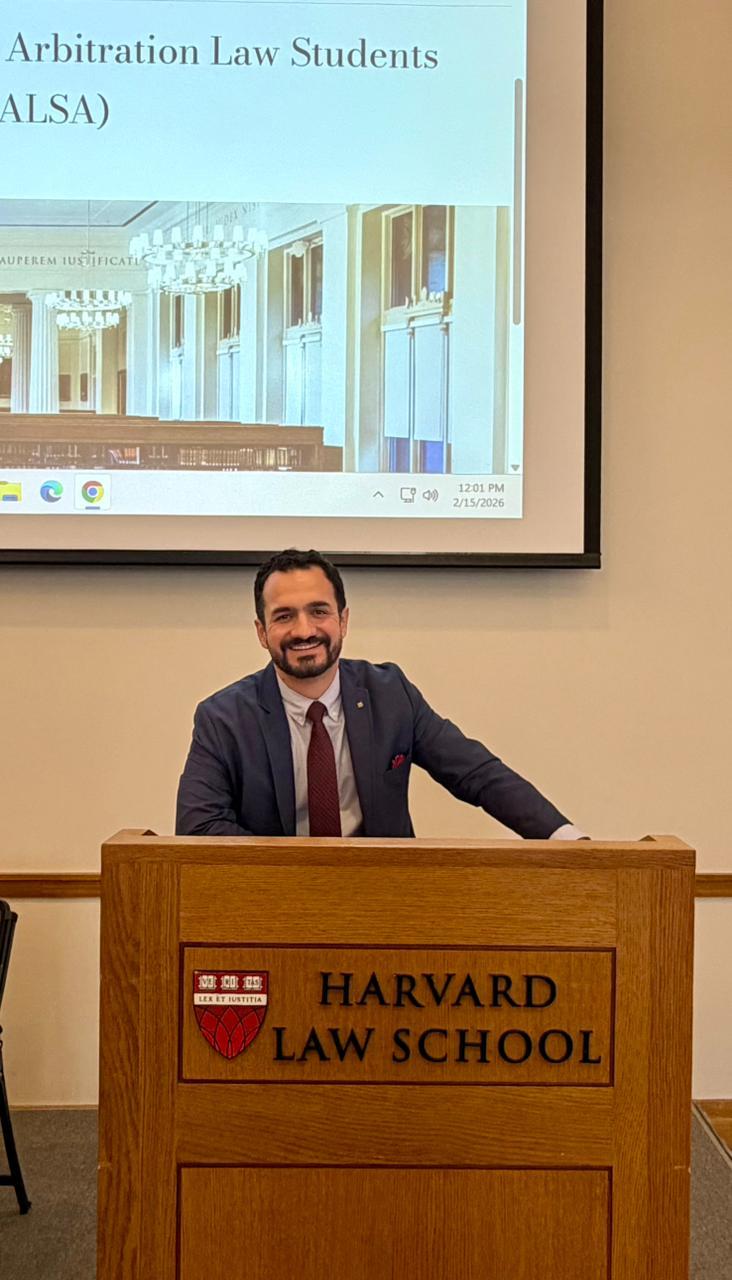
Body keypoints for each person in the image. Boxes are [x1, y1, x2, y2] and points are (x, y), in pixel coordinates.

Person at [176, 548, 584, 841]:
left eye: (319, 611)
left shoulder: (390, 694)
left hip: (385, 898)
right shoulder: (223, 717)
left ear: (343, 620)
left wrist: (565, 839)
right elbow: (199, 827)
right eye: (284, 616)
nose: (304, 630)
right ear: (262, 632)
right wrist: (298, 875)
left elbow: (476, 774)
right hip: (271, 902)